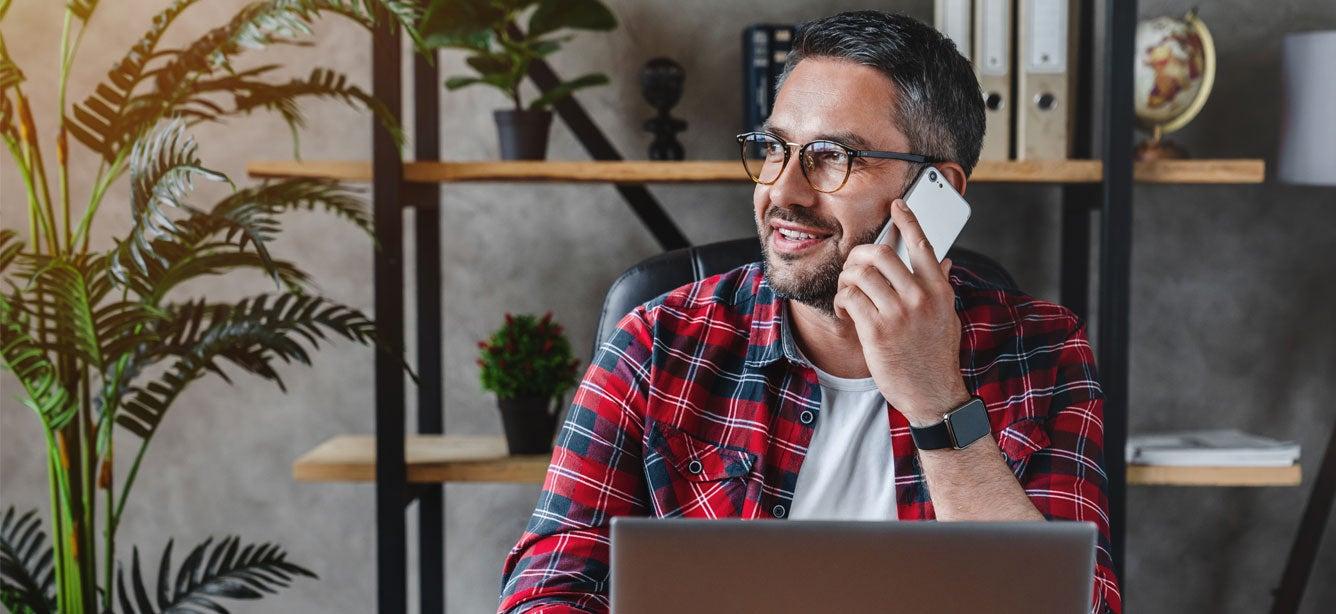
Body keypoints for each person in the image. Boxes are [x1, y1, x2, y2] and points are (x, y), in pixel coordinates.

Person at [498, 10, 1120, 614]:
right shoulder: (658, 345)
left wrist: (939, 403)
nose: (783, 192)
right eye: (775, 149)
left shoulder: (1043, 351)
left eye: (832, 157)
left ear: (939, 193)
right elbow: (546, 591)